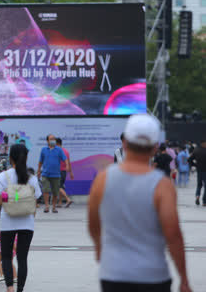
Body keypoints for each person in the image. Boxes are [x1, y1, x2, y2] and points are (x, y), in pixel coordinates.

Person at [88, 114, 192, 292]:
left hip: (113, 274)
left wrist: (99, 248)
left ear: (125, 143)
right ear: (155, 147)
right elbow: (173, 234)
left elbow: (93, 222)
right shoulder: (162, 185)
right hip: (152, 276)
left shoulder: (103, 179)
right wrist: (183, 279)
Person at [0, 143, 41, 292]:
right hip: (27, 223)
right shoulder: (32, 178)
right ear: (26, 158)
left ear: (10, 158)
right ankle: (20, 289)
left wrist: (11, 200)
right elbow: (36, 199)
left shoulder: (3, 176)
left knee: (7, 257)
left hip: (7, 222)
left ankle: (10, 288)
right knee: (22, 258)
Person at [37, 134, 66, 213]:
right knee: (46, 190)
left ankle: (53, 207)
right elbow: (40, 161)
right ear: (47, 141)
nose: (53, 140)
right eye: (51, 139)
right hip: (45, 174)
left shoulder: (59, 150)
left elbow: (65, 159)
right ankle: (47, 206)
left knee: (55, 191)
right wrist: (39, 170)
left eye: (54, 139)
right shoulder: (43, 150)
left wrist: (68, 167)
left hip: (56, 174)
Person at [57, 138, 74, 208]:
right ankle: (60, 202)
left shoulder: (58, 151)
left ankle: (67, 199)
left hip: (58, 171)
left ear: (57, 143)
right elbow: (69, 162)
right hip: (64, 171)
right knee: (61, 186)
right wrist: (71, 172)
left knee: (58, 187)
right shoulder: (66, 151)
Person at [188, 140, 206, 205]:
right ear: (204, 143)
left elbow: (189, 159)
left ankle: (197, 197)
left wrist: (195, 165)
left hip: (199, 170)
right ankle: (204, 201)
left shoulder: (196, 150)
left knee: (199, 185)